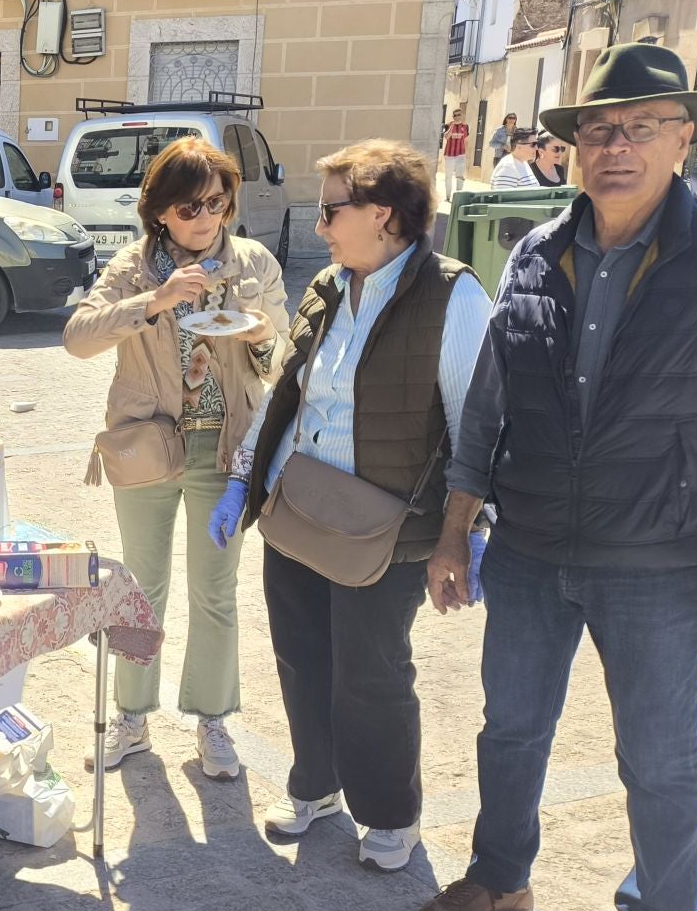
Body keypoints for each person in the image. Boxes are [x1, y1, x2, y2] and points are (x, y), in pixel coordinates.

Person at [418, 44, 697, 911]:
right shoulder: (535, 254)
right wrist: (455, 524)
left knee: (659, 755)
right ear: (573, 148)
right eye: (599, 130)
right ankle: (503, 877)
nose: (618, 146)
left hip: (662, 561)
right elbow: (487, 409)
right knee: (510, 730)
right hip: (531, 549)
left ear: (688, 139)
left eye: (643, 127)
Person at [208, 139, 492, 873]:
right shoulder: (331, 285)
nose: (321, 227)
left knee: (371, 673)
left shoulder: (453, 296)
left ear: (386, 215)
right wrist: (246, 481)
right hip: (299, 509)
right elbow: (287, 395)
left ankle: (391, 814)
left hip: (385, 529)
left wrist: (463, 534)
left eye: (333, 210)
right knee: (302, 659)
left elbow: (479, 426)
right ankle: (316, 787)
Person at [62, 136, 285, 778]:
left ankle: (213, 722)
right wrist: (153, 302)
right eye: (188, 208)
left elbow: (284, 362)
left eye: (216, 204)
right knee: (142, 586)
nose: (205, 219)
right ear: (159, 211)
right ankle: (132, 718)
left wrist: (263, 334)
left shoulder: (252, 264)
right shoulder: (132, 268)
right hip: (146, 446)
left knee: (214, 591)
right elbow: (77, 339)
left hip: (224, 446)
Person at [440, 106, 470, 197]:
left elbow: (466, 140)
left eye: (459, 115)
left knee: (460, 175)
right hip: (449, 154)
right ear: (453, 116)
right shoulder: (448, 125)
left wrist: (466, 153)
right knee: (448, 176)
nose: (457, 117)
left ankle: (458, 195)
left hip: (460, 154)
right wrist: (452, 126)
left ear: (462, 115)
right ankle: (448, 196)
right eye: (455, 115)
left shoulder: (465, 126)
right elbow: (446, 137)